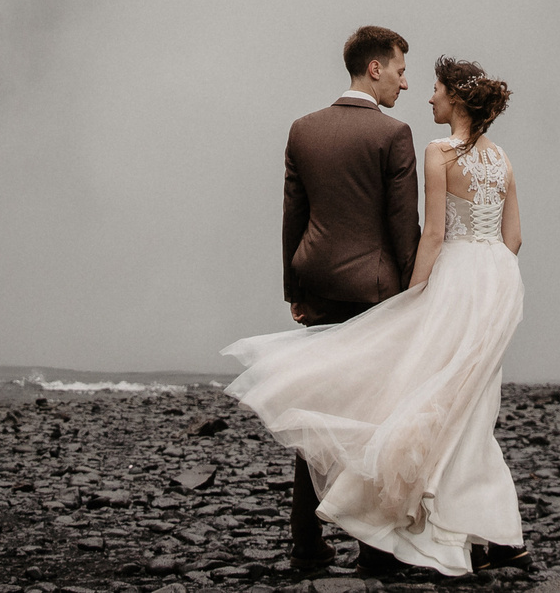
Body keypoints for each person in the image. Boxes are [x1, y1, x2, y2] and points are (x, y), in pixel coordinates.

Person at [226, 53, 527, 578]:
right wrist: (420, 286)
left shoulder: (308, 129)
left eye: (430, 85)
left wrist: (298, 286)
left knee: (331, 394)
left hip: (336, 281)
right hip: (483, 286)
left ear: (454, 97)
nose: (415, 88)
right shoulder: (471, 152)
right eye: (402, 72)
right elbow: (491, 236)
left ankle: (310, 544)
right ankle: (392, 549)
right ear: (375, 67)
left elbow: (299, 214)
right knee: (462, 408)